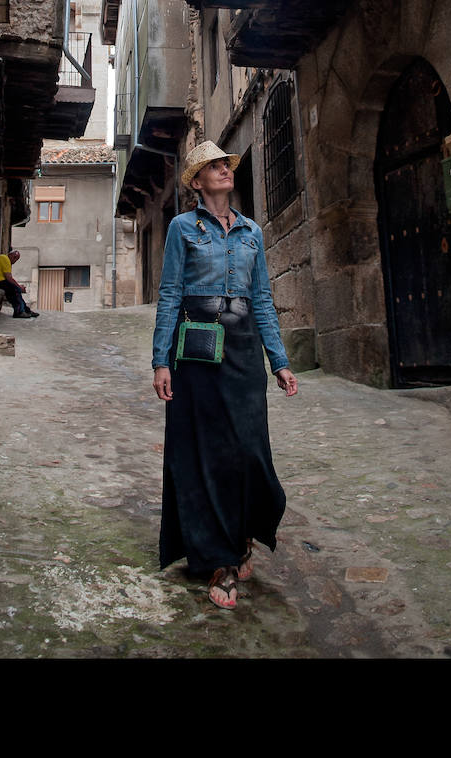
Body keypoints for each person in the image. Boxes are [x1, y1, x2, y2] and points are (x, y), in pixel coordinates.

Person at [152, 141, 298, 611]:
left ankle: (245, 531)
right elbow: (171, 292)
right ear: (196, 182)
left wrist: (278, 359)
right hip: (196, 351)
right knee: (208, 454)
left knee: (250, 449)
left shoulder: (252, 232)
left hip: (242, 351)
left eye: (225, 164)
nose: (223, 169)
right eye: (213, 166)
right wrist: (159, 360)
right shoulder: (181, 227)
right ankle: (222, 560)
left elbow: (262, 301)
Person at [0, 250, 38, 318]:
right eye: (14, 258)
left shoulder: (3, 258)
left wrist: (18, 287)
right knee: (15, 290)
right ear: (10, 255)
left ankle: (26, 310)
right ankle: (19, 311)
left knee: (15, 289)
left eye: (16, 259)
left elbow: (8, 278)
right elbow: (9, 278)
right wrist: (19, 287)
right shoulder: (6, 260)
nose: (15, 261)